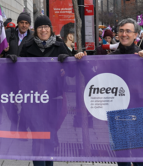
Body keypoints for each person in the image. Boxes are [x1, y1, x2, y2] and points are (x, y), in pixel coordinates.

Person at [8, 15, 85, 166]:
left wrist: (68, 61)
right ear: (35, 30)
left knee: (49, 136)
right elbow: (19, 71)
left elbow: (72, 73)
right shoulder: (27, 46)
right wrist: (12, 61)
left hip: (54, 99)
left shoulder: (59, 45)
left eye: (46, 27)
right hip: (34, 98)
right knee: (38, 136)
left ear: (50, 29)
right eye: (40, 27)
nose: (43, 30)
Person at [110, 18, 143, 166]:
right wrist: (79, 61)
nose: (124, 34)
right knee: (122, 157)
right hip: (117, 111)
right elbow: (94, 78)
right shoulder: (110, 58)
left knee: (140, 156)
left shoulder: (142, 55)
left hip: (138, 111)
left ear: (136, 35)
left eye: (128, 31)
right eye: (121, 31)